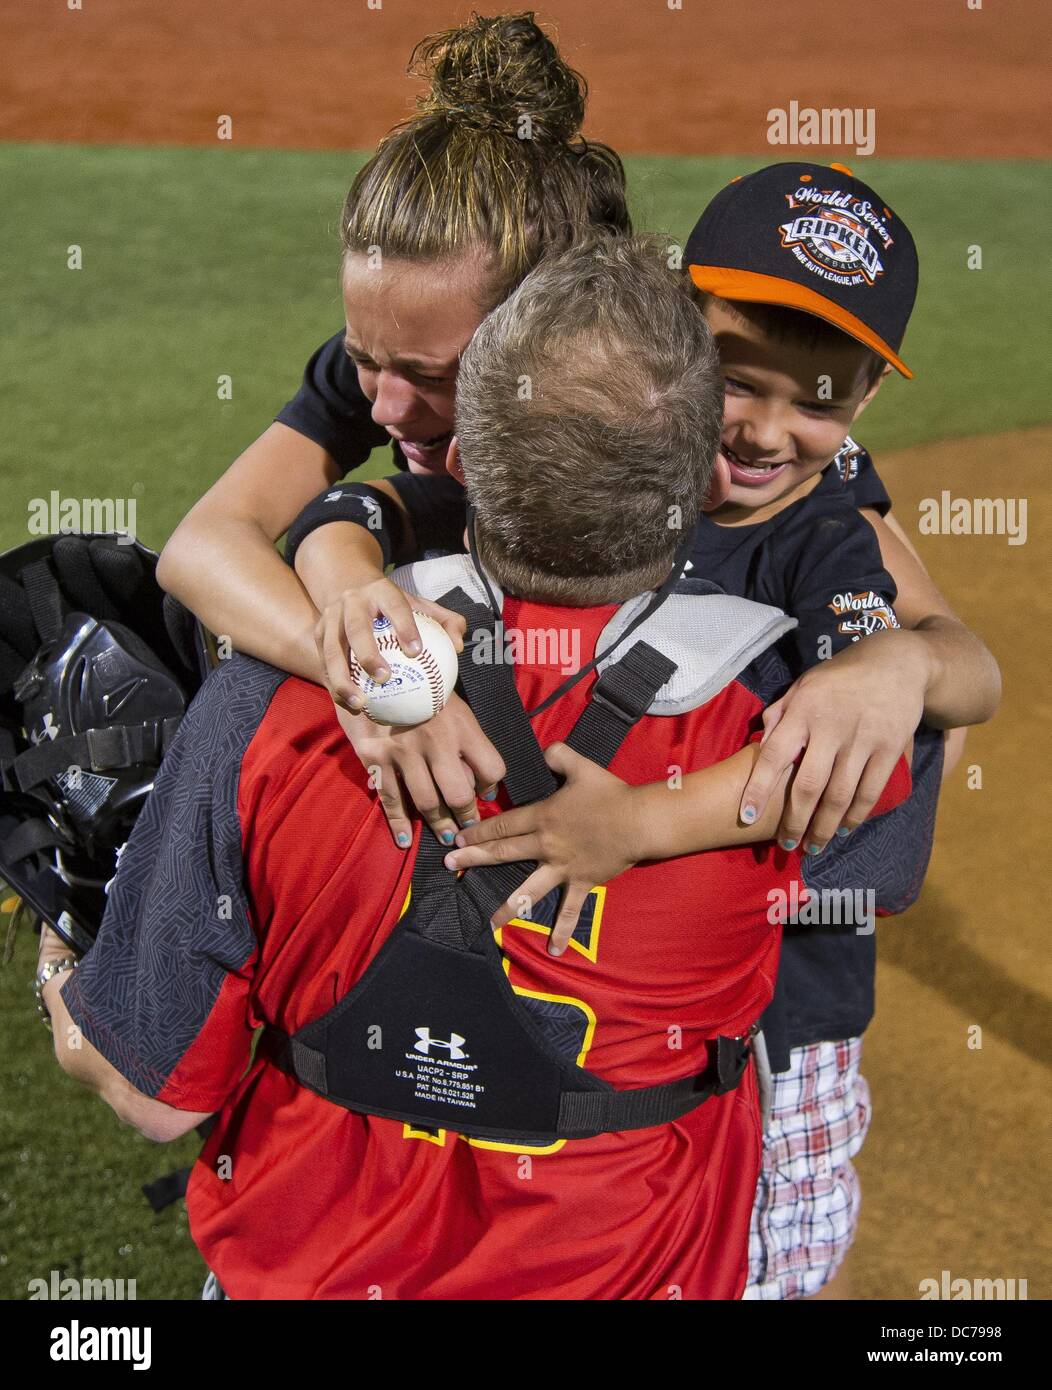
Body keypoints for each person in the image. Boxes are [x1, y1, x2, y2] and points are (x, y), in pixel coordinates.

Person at [42, 236, 913, 1300]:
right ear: (692, 474)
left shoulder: (262, 705)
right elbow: (887, 842)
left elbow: (157, 1099)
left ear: (462, 457)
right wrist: (899, 658)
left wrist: (65, 949)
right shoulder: (800, 730)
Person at [289, 163, 1001, 1300]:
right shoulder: (593, 450)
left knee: (763, 1261)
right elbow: (371, 507)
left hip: (771, 1018)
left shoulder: (816, 540)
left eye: (816, 397)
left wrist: (898, 664)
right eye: (735, 378)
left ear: (864, 397)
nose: (766, 429)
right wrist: (339, 570)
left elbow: (959, 683)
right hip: (543, 992)